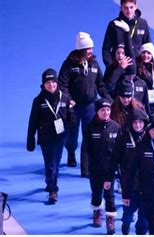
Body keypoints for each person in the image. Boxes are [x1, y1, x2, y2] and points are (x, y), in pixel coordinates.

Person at [58, 32, 112, 176]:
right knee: (72, 134)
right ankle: (70, 152)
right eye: (88, 49)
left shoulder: (94, 63)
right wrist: (69, 99)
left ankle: (87, 166)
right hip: (73, 106)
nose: (91, 51)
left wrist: (108, 99)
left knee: (89, 135)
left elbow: (100, 84)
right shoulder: (69, 64)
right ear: (81, 49)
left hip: (90, 106)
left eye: (91, 48)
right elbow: (62, 85)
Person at [26, 68, 76, 204]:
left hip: (60, 137)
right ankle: (53, 191)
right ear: (43, 85)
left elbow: (71, 116)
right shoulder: (38, 101)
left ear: (57, 82)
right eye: (48, 83)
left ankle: (51, 181)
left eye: (53, 82)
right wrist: (30, 138)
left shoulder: (65, 97)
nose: (51, 85)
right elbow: (32, 121)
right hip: (45, 137)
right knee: (50, 164)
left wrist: (72, 121)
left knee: (56, 162)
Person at [83, 98, 121, 234]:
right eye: (102, 110)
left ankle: (110, 219)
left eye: (108, 110)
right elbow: (86, 148)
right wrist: (86, 168)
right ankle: (97, 212)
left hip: (110, 170)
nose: (106, 113)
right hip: (95, 169)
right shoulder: (89, 127)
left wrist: (117, 169)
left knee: (110, 195)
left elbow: (119, 151)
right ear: (97, 112)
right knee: (96, 194)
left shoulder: (116, 127)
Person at [112, 108, 148, 235]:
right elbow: (116, 157)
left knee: (144, 214)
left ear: (144, 123)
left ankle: (141, 232)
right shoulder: (123, 138)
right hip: (129, 182)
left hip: (146, 182)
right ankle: (125, 225)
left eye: (140, 122)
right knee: (128, 210)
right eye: (135, 122)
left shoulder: (148, 137)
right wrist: (115, 174)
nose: (138, 125)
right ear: (130, 123)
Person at [102, 0, 151, 68]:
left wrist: (145, 67)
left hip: (138, 67)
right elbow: (106, 49)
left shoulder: (143, 23)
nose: (129, 10)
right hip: (118, 67)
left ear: (136, 7)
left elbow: (148, 46)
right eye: (125, 8)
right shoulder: (114, 24)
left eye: (131, 7)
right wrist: (110, 67)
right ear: (121, 8)